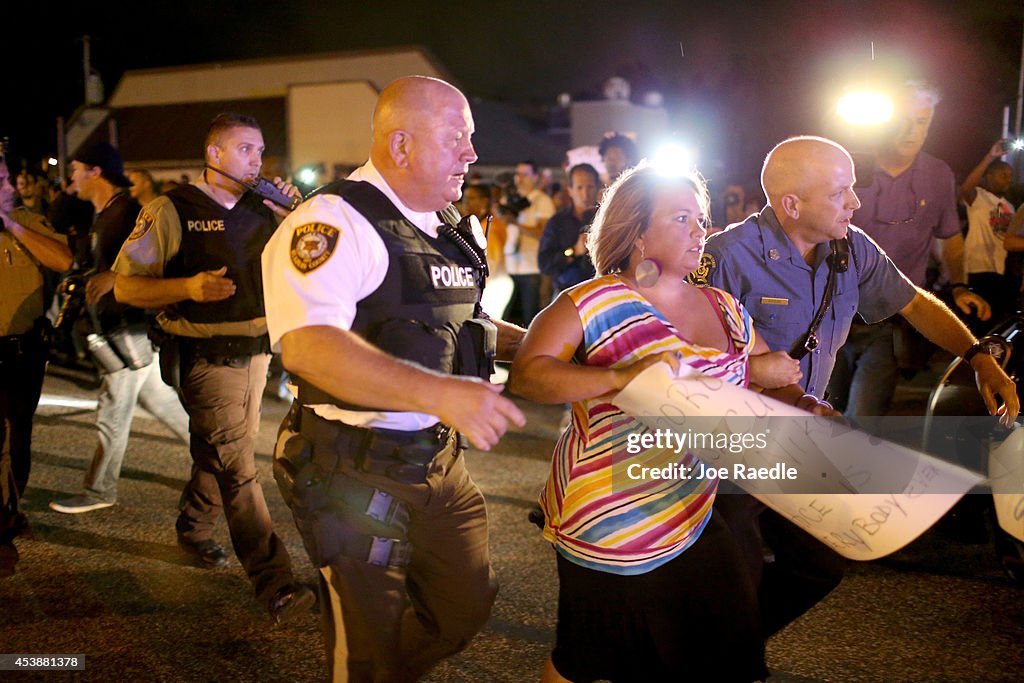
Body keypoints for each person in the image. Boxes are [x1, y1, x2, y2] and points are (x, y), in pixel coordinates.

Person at [510, 162, 825, 683]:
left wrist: (808, 404)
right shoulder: (591, 302)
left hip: (695, 503)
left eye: (702, 219)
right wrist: (620, 377)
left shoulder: (725, 307)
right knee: (585, 660)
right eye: (682, 218)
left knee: (728, 652)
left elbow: (771, 380)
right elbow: (529, 375)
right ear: (636, 232)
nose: (700, 231)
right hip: (608, 515)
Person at [695, 135, 1019, 638]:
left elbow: (913, 303)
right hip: (731, 445)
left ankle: (722, 650)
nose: (855, 201)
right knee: (736, 571)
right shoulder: (727, 258)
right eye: (840, 191)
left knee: (820, 563)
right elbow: (700, 364)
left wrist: (978, 357)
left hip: (801, 436)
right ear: (791, 204)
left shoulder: (850, 248)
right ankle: (721, 658)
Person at [261, 76, 527, 681]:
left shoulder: (443, 223)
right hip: (353, 468)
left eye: (471, 137)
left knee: (463, 608)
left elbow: (467, 320)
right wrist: (441, 392)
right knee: (366, 646)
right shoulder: (332, 222)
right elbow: (308, 346)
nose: (471, 152)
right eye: (456, 137)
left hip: (438, 462)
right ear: (401, 145)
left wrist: (545, 349)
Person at [111, 113, 313, 621]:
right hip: (205, 357)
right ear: (214, 154)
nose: (257, 160)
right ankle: (275, 581)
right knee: (239, 466)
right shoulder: (171, 208)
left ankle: (194, 529)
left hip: (257, 353)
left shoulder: (265, 208)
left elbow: (312, 258)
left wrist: (298, 212)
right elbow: (126, 286)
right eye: (245, 149)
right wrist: (187, 288)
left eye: (261, 150)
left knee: (222, 449)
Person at [827, 81, 991, 416]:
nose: (911, 132)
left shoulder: (937, 175)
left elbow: (949, 241)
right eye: (902, 120)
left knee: (864, 417)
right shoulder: (844, 166)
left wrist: (959, 286)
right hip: (827, 314)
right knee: (822, 412)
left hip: (890, 320)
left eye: (922, 122)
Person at [49, 142, 189, 514]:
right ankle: (220, 460)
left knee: (112, 410)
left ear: (96, 172)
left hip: (128, 329)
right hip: (116, 327)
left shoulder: (127, 212)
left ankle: (99, 491)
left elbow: (154, 258)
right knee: (162, 403)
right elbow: (60, 224)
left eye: (77, 169)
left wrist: (113, 274)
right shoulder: (102, 212)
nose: (71, 176)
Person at [1, 152, 73, 576]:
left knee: (17, 438)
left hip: (20, 350)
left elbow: (64, 261)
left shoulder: (28, 221)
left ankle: (10, 509)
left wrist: (11, 226)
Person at [959, 141, 1017, 329]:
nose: (1008, 179)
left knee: (997, 323)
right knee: (978, 322)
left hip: (1001, 270)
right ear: (989, 176)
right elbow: (965, 189)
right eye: (1003, 175)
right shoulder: (979, 197)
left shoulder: (1011, 206)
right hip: (979, 268)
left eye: (1010, 176)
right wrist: (990, 157)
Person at [502, 160, 556, 326]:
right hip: (509, 267)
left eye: (525, 174)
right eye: (517, 174)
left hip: (531, 268)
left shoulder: (542, 201)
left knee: (529, 321)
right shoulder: (510, 200)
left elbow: (543, 233)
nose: (520, 178)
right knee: (503, 320)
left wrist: (514, 223)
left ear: (535, 177)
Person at [538, 163, 599, 294]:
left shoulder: (608, 220)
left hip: (601, 292)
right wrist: (573, 251)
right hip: (567, 293)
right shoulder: (557, 221)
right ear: (570, 190)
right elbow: (544, 264)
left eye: (590, 187)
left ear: (598, 188)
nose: (585, 194)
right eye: (579, 188)